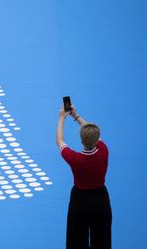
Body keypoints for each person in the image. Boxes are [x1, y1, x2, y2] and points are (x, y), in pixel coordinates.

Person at [56, 104, 112, 249]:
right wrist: (76, 116)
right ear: (97, 139)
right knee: (102, 240)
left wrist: (62, 117)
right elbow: (91, 131)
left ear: (81, 140)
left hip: (80, 201)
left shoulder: (75, 159)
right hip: (101, 200)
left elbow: (60, 141)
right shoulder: (103, 151)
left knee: (76, 240)